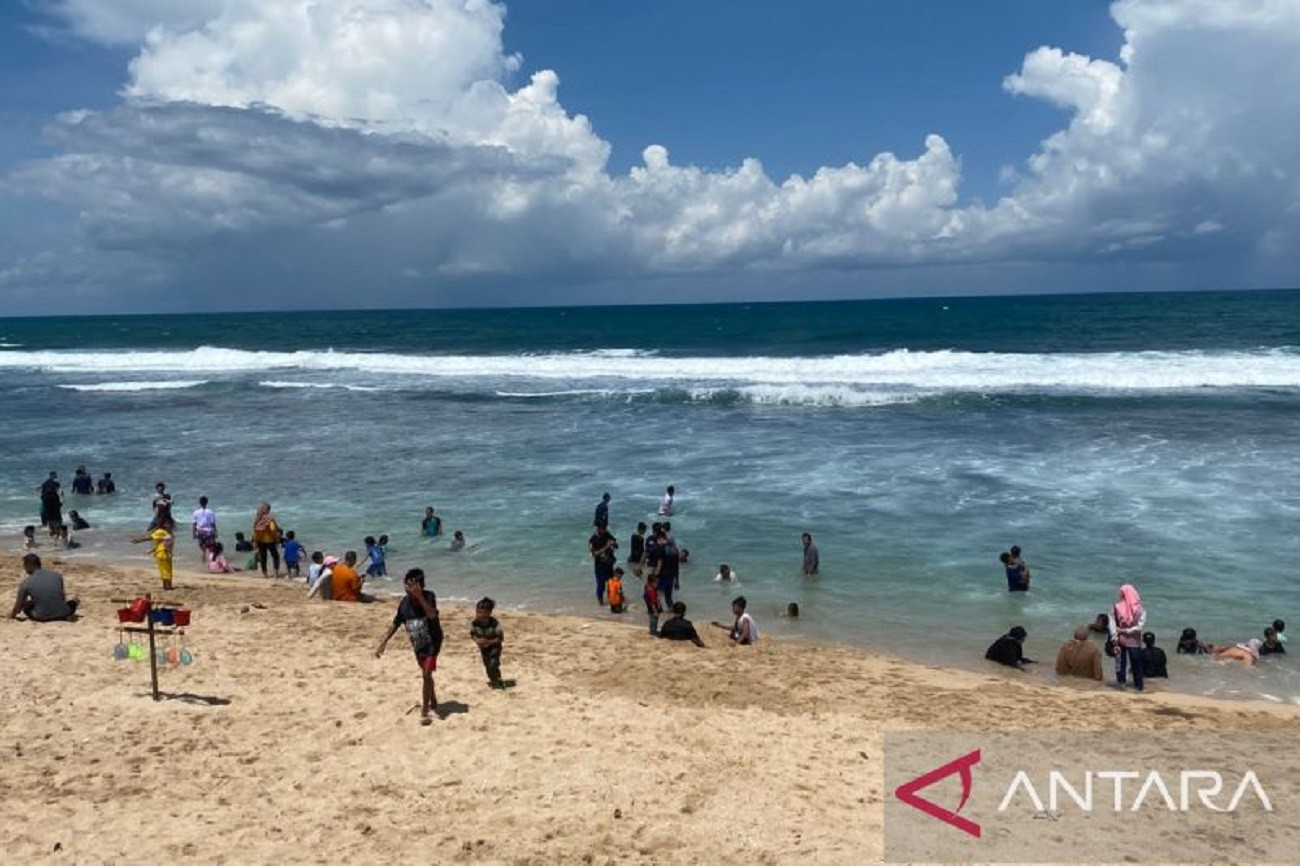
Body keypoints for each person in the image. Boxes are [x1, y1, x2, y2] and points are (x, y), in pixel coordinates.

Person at [375, 568, 444, 725]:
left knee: (426, 673)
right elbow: (396, 622)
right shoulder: (404, 603)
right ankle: (433, 699)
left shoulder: (429, 596)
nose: (408, 588)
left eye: (412, 585)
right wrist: (383, 642)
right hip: (418, 643)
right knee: (427, 675)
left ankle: (425, 709)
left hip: (433, 641)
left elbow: (432, 614)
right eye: (406, 585)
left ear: (421, 586)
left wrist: (419, 596)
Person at [10, 554, 78, 622]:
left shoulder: (26, 583)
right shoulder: (57, 575)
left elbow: (18, 608)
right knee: (75, 600)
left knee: (26, 605)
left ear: (29, 565)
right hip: (64, 614)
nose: (24, 568)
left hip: (42, 617)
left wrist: (11, 616)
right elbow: (62, 598)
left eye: (25, 565)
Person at [1108, 583, 1147, 691]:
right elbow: (1139, 627)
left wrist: (1114, 637)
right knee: (1136, 663)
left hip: (1120, 639)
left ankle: (1121, 684)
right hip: (1135, 640)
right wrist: (1128, 630)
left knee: (1120, 662)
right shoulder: (1140, 609)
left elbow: (1112, 624)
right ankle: (1139, 686)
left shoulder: (1116, 607)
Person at [469, 597, 505, 689]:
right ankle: (493, 678)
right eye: (477, 612)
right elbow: (472, 634)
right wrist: (477, 640)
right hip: (483, 648)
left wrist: (489, 642)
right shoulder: (474, 623)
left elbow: (500, 638)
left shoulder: (495, 623)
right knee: (487, 665)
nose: (479, 615)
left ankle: (496, 681)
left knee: (493, 663)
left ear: (489, 613)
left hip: (495, 646)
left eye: (482, 612)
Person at [132, 522, 175, 590]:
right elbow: (165, 543)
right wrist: (169, 553)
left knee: (163, 570)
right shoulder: (164, 532)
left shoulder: (162, 532)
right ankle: (168, 586)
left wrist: (139, 541)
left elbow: (156, 541)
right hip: (163, 553)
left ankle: (166, 586)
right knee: (167, 570)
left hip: (161, 553)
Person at [588, 521, 618, 605]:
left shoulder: (607, 534)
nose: (604, 530)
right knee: (601, 585)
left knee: (611, 585)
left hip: (609, 564)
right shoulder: (593, 539)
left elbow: (616, 545)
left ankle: (611, 601)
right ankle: (600, 602)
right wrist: (606, 547)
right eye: (603, 528)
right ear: (598, 528)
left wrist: (614, 543)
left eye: (605, 528)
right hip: (599, 566)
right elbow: (594, 554)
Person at [251, 502, 282, 578]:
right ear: (268, 510)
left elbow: (254, 532)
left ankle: (265, 574)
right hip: (271, 541)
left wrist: (255, 544)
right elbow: (273, 529)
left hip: (260, 541)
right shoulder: (270, 519)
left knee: (263, 558)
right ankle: (276, 573)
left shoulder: (257, 519)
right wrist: (277, 538)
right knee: (275, 556)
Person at [652, 527, 680, 608]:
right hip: (671, 576)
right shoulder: (675, 551)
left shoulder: (661, 549)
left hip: (662, 576)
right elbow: (676, 567)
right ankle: (670, 610)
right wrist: (677, 580)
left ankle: (658, 610)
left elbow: (659, 564)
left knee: (655, 594)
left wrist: (654, 577)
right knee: (668, 596)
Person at [643, 571, 661, 635]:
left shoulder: (647, 587)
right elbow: (653, 602)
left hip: (649, 606)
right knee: (654, 618)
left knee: (651, 617)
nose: (657, 584)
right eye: (656, 582)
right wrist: (655, 610)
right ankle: (653, 631)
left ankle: (652, 630)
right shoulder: (652, 591)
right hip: (653, 606)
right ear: (651, 582)